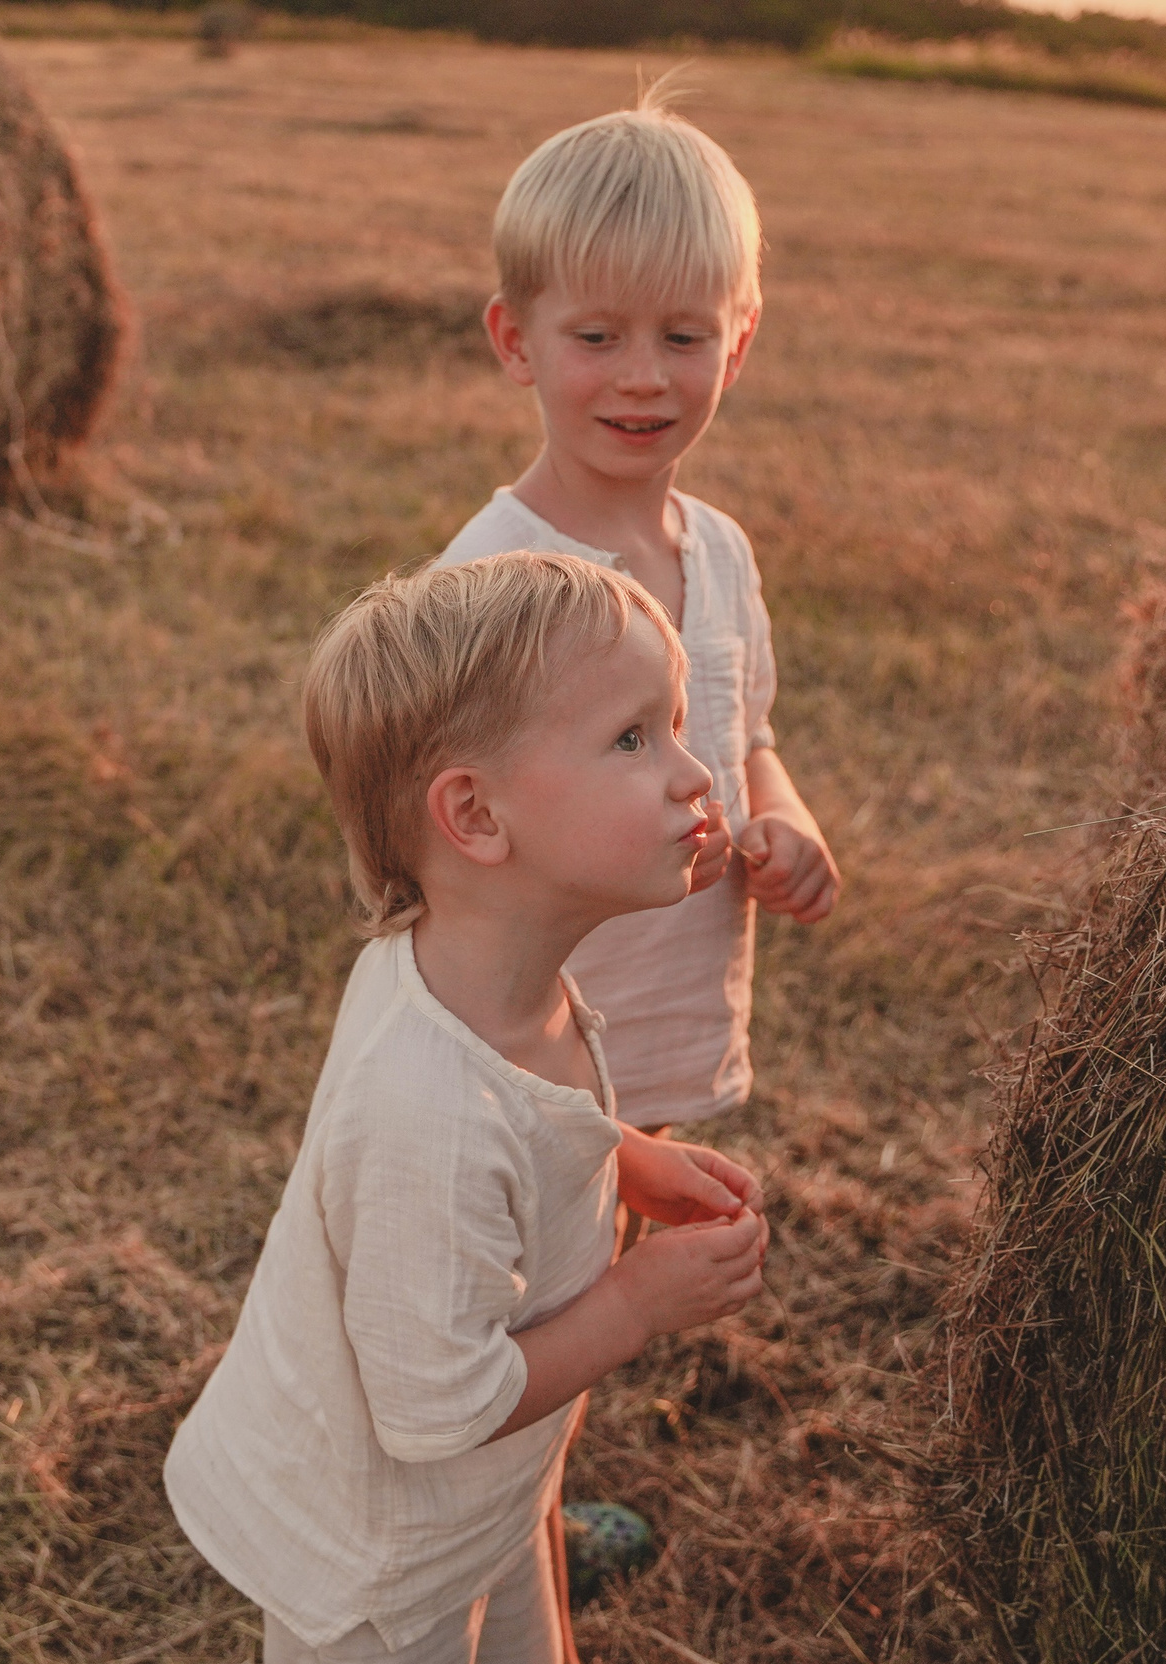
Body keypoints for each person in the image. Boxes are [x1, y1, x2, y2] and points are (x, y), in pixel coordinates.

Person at [164, 552, 775, 1664]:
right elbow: (439, 1408)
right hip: (382, 1572)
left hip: (486, 1506)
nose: (695, 773)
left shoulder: (483, 974)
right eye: (632, 739)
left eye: (674, 726)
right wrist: (638, 1304)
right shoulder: (426, 1111)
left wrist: (623, 1158)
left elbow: (529, 1125)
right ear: (477, 817)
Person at [438, 85, 840, 1140]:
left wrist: (785, 818)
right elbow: (440, 825)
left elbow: (747, 738)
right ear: (516, 340)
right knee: (551, 1228)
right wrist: (622, 843)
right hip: (526, 1035)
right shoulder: (493, 580)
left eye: (683, 336)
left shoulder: (722, 554)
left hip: (663, 1012)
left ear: (738, 344)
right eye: (597, 336)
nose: (645, 377)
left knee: (640, 1193)